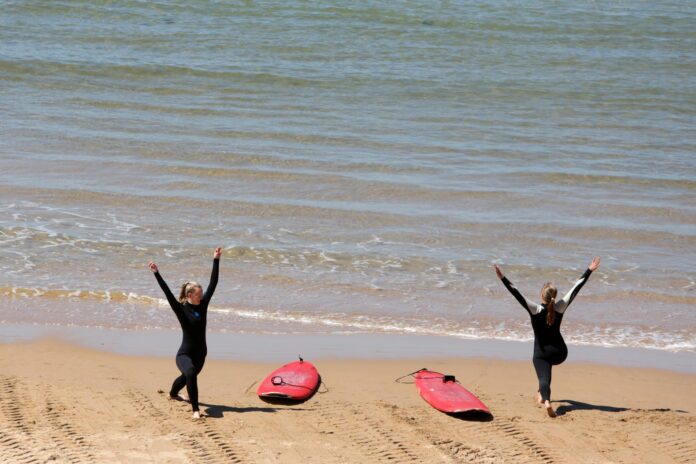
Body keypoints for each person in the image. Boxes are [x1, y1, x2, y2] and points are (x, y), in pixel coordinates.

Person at [494, 257, 601, 417]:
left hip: (542, 353)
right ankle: (540, 394)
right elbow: (576, 288)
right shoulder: (560, 307)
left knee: (543, 376)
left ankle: (547, 400)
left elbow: (516, 293)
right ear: (554, 296)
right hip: (560, 353)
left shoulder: (535, 309)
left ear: (541, 295)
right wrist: (589, 270)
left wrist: (502, 277)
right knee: (546, 370)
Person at [148, 247, 222, 419]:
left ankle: (173, 394)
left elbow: (214, 282)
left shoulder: (203, 305)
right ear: (189, 295)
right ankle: (196, 411)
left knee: (188, 376)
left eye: (202, 294)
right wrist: (156, 273)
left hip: (201, 353)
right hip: (185, 353)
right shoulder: (181, 309)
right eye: (199, 294)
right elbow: (167, 293)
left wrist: (216, 259)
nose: (202, 296)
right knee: (189, 373)